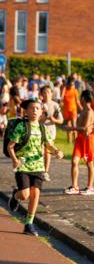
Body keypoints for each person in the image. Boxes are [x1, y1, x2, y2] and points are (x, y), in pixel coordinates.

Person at [7, 98, 64, 236]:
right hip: (23, 166)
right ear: (26, 111)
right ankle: (15, 195)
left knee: (36, 193)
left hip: (38, 166)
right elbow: (10, 146)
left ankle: (29, 224)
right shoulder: (21, 127)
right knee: (25, 194)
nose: (34, 111)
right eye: (32, 108)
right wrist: (15, 160)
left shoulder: (43, 128)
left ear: (41, 112)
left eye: (37, 108)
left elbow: (48, 144)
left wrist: (57, 151)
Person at [64, 90, 94, 196]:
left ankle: (90, 187)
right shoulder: (83, 110)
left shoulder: (89, 111)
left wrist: (70, 128)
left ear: (83, 98)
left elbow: (85, 129)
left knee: (89, 163)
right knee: (74, 161)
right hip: (80, 139)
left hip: (88, 140)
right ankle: (74, 186)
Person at [39, 85, 64, 182]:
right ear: (41, 94)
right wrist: (43, 118)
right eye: (44, 92)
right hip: (40, 130)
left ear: (52, 94)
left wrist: (53, 119)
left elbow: (61, 120)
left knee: (47, 152)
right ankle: (39, 170)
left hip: (50, 131)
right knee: (40, 151)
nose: (46, 95)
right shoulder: (38, 105)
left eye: (48, 92)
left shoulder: (55, 105)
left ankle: (45, 171)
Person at [62, 78, 81, 143]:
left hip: (73, 110)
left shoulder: (75, 91)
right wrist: (64, 89)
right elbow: (61, 97)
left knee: (74, 126)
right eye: (70, 84)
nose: (71, 86)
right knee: (68, 126)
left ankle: (76, 140)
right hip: (66, 110)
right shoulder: (65, 90)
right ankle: (69, 141)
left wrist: (81, 109)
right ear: (68, 84)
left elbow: (77, 101)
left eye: (73, 84)